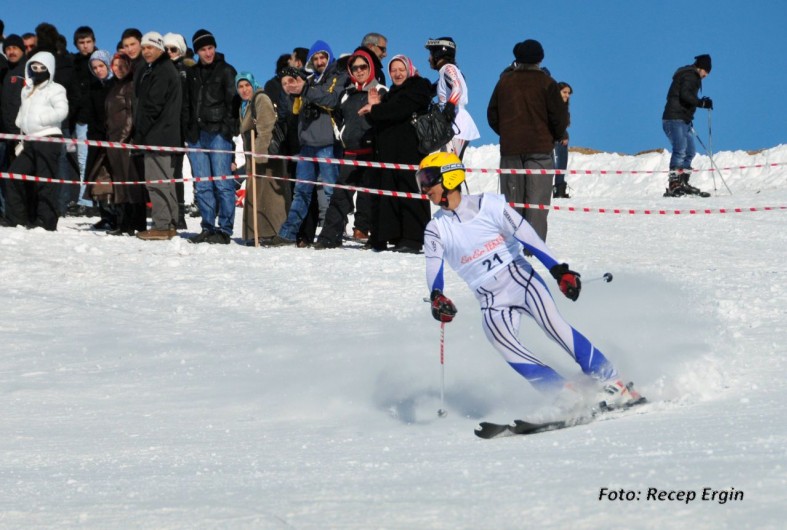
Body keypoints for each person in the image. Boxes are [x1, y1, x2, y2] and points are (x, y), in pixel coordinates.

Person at [418, 151, 643, 407]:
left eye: (428, 179)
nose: (424, 188)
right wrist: (436, 295)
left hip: (519, 278)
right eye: (420, 180)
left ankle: (612, 380)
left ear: (449, 177)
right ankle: (564, 393)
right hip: (488, 298)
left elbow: (527, 234)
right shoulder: (436, 229)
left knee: (553, 326)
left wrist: (558, 270)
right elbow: (433, 265)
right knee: (501, 342)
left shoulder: (489, 205)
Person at [487, 39, 567, 242]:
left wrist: (507, 133)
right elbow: (560, 118)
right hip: (540, 150)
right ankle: (534, 247)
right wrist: (554, 136)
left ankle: (513, 245)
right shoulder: (547, 83)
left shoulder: (504, 81)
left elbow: (492, 115)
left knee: (512, 203)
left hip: (511, 150)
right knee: (536, 204)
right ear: (540, 59)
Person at [268, 40, 344, 247]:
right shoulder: (308, 80)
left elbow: (331, 100)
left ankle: (333, 233)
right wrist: (292, 92)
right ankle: (288, 233)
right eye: (315, 58)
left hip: (328, 142)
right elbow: (294, 111)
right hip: (306, 144)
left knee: (330, 191)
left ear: (329, 58)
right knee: (301, 191)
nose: (319, 62)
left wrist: (305, 89)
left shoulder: (337, 76)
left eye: (323, 57)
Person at [313, 49, 387, 249]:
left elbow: (387, 119)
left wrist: (376, 109)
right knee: (340, 196)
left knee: (373, 197)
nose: (359, 71)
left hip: (371, 153)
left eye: (363, 67)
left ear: (370, 68)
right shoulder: (346, 94)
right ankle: (329, 237)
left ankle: (376, 239)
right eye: (355, 68)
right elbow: (337, 117)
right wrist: (341, 133)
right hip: (351, 153)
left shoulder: (381, 90)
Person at [361, 54, 432, 253]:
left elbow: (399, 110)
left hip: (410, 152)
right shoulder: (390, 94)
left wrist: (376, 109)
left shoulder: (418, 87)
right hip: (389, 154)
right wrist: (375, 107)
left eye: (401, 69)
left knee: (410, 191)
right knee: (391, 193)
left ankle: (413, 238)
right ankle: (394, 235)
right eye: (393, 70)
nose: (397, 74)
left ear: (409, 70)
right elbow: (379, 120)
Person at [184, 29, 239, 244]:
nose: (208, 53)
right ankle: (207, 226)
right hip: (196, 135)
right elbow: (187, 103)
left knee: (223, 183)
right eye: (203, 50)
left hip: (218, 134)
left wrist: (227, 129)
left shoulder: (226, 70)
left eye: (210, 48)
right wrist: (187, 128)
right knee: (203, 184)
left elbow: (233, 103)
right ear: (197, 52)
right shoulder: (191, 73)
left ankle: (224, 229)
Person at [4, 51, 68, 230]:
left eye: (42, 68)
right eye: (34, 67)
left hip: (49, 139)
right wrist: (20, 123)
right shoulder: (27, 89)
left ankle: (46, 221)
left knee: (45, 181)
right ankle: (17, 218)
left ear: (50, 69)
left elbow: (62, 111)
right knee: (13, 175)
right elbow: (23, 110)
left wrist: (41, 119)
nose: (38, 71)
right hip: (29, 140)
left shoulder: (56, 89)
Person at [133, 31, 182, 241]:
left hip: (158, 135)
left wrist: (140, 132)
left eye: (150, 48)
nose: (146, 52)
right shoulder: (160, 69)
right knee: (165, 180)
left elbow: (152, 106)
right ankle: (169, 224)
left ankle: (162, 225)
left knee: (156, 181)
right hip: (163, 134)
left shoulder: (162, 71)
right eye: (144, 48)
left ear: (160, 49)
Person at [235, 71, 287, 245]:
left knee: (269, 195)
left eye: (247, 85)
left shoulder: (260, 98)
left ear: (253, 84)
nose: (244, 89)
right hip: (254, 155)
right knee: (258, 194)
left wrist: (260, 154)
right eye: (240, 86)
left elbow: (266, 126)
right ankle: (258, 233)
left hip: (265, 155)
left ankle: (273, 232)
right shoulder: (245, 105)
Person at [105, 52, 147, 236]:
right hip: (113, 140)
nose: (119, 69)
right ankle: (123, 222)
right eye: (115, 65)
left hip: (125, 142)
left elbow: (131, 114)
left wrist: (123, 138)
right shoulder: (114, 86)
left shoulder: (130, 86)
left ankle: (134, 223)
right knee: (120, 183)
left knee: (131, 184)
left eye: (123, 65)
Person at [662, 54, 713, 197]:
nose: (706, 75)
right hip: (674, 118)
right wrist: (701, 103)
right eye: (706, 71)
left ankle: (683, 182)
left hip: (683, 120)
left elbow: (687, 96)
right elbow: (685, 95)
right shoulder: (690, 75)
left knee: (690, 151)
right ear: (701, 68)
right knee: (680, 150)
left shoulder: (691, 76)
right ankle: (674, 184)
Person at [425, 37, 480, 159]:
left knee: (449, 165)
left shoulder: (448, 68)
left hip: (456, 122)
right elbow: (431, 91)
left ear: (438, 54)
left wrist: (450, 106)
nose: (429, 59)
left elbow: (457, 87)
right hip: (454, 122)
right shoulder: (446, 72)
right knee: (448, 164)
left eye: (431, 54)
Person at [81, 49, 116, 230]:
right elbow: (90, 114)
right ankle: (105, 215)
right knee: (97, 177)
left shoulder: (116, 85)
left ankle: (117, 215)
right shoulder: (93, 87)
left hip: (114, 138)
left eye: (101, 66)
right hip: (96, 139)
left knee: (114, 177)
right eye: (94, 68)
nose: (98, 70)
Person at [163, 32, 192, 229]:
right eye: (166, 49)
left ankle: (179, 214)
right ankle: (166, 212)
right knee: (163, 171)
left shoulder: (186, 71)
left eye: (173, 49)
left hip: (180, 127)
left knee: (176, 171)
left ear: (180, 50)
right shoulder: (160, 69)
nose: (169, 52)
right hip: (163, 127)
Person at [553, 82, 573, 199]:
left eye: (568, 93)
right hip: (555, 140)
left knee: (562, 163)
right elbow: (554, 123)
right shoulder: (554, 106)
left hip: (561, 139)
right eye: (564, 92)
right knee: (555, 164)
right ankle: (557, 189)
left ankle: (559, 188)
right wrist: (561, 136)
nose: (567, 95)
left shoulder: (563, 107)